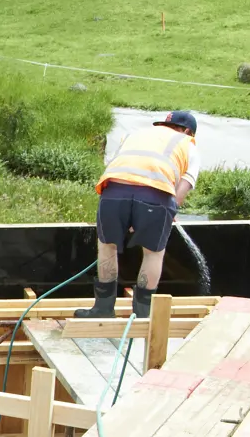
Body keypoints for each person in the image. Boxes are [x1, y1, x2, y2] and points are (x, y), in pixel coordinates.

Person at [77, 109, 201, 320]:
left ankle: (103, 309)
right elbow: (182, 189)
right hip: (156, 194)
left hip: (113, 191)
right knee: (153, 253)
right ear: (188, 131)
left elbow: (120, 166)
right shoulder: (187, 144)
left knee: (107, 246)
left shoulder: (135, 135)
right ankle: (142, 315)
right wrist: (169, 211)